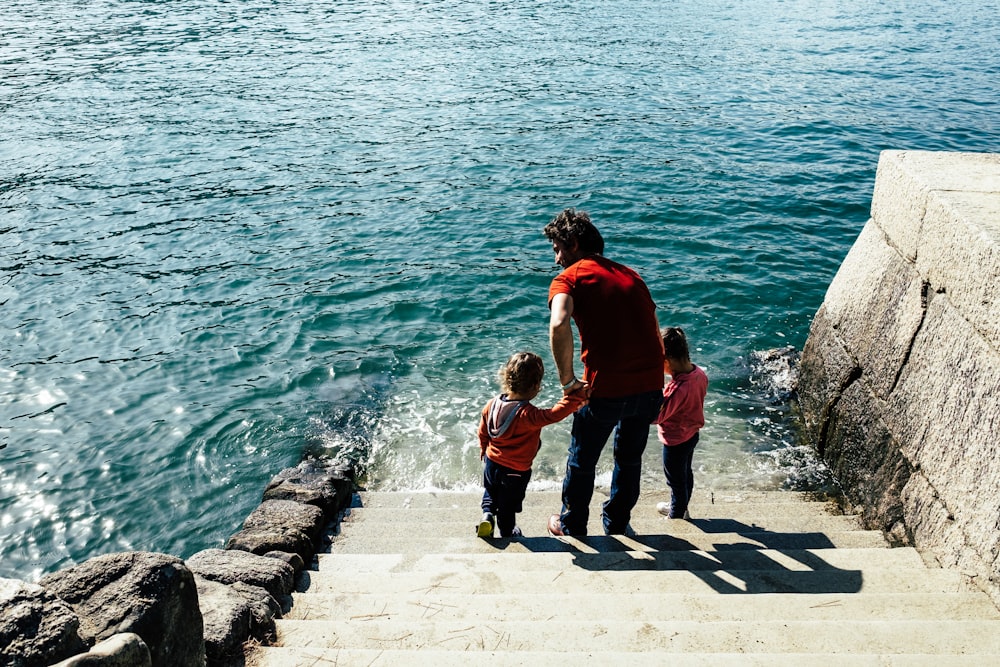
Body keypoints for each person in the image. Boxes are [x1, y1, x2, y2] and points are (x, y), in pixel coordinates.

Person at [543, 208, 664, 536]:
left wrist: (568, 382)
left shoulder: (569, 278)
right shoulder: (631, 274)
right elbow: (654, 328)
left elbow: (558, 322)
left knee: (582, 459)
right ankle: (617, 523)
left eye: (557, 249)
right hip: (651, 386)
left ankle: (571, 526)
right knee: (629, 458)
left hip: (606, 388)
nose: (556, 259)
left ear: (574, 242)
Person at [478, 351, 588, 539]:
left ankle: (487, 515)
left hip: (491, 462)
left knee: (491, 492)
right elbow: (554, 414)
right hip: (515, 470)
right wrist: (576, 397)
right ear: (536, 386)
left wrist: (484, 448)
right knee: (508, 506)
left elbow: (483, 431)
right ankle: (508, 533)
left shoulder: (492, 404)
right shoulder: (527, 414)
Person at [652, 327, 708, 520]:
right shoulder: (699, 373)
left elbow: (657, 417)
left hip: (675, 441)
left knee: (675, 480)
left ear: (667, 361)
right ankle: (681, 507)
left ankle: (676, 515)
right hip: (691, 434)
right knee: (685, 474)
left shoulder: (676, 389)